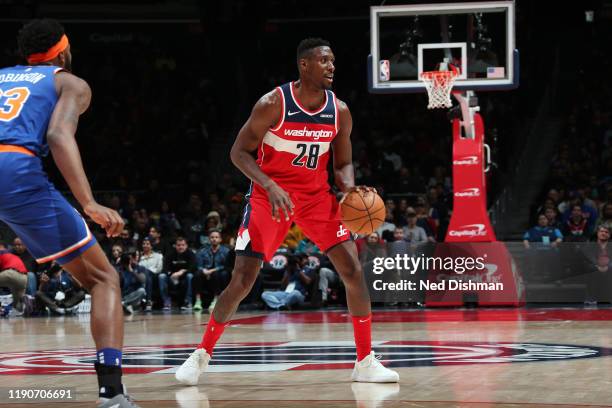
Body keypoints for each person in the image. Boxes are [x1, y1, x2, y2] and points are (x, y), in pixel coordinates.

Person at [176, 37, 398, 385]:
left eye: (334, 61)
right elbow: (238, 154)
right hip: (269, 197)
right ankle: (201, 354)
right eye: (324, 61)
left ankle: (365, 361)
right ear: (304, 65)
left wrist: (350, 188)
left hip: (316, 198)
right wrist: (270, 184)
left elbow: (343, 163)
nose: (331, 67)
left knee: (352, 270)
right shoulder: (272, 104)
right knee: (243, 280)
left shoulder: (339, 111)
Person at [0, 20, 134, 407]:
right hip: (15, 169)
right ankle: (111, 394)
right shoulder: (70, 83)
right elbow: (59, 135)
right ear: (62, 52)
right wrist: (89, 203)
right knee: (103, 279)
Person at [193, 230, 230, 312]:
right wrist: (204, 270)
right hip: (205, 271)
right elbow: (198, 265)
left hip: (218, 272)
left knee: (216, 274)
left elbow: (226, 266)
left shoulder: (226, 251)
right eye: (212, 237)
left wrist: (213, 270)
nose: (214, 239)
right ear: (209, 239)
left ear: (220, 239)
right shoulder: (203, 250)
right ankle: (198, 300)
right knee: (197, 274)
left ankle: (215, 300)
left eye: (216, 237)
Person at [159, 236, 196, 310]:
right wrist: (171, 274)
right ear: (175, 246)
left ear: (186, 246)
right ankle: (166, 301)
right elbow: (165, 268)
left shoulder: (190, 254)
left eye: (183, 245)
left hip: (184, 277)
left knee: (190, 276)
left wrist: (182, 272)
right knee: (161, 276)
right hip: (172, 277)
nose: (181, 247)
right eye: (179, 245)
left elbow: (193, 267)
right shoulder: (170, 254)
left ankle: (188, 301)